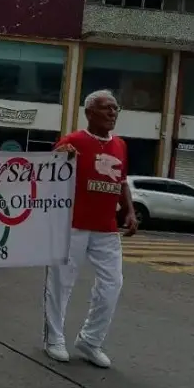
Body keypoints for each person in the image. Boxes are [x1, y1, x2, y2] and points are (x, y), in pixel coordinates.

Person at [43, 89, 137, 369]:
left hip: (107, 228)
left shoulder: (120, 145)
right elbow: (49, 175)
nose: (112, 113)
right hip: (72, 226)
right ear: (89, 113)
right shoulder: (72, 141)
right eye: (106, 108)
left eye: (115, 108)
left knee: (112, 284)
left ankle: (90, 340)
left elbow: (121, 181)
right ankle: (54, 338)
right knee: (61, 283)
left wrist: (130, 210)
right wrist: (60, 157)